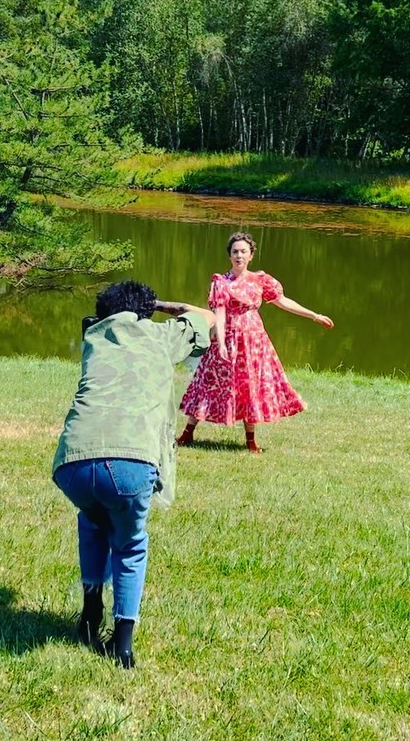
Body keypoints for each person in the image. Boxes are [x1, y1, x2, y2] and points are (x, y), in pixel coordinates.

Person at [52, 279, 214, 668]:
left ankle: (90, 614)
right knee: (129, 544)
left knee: (93, 520)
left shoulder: (94, 337)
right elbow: (208, 317)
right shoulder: (161, 336)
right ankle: (122, 645)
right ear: (146, 312)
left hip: (73, 463)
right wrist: (161, 306)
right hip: (131, 462)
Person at [178, 231, 334, 453]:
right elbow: (219, 314)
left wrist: (314, 315)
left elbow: (282, 301)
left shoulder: (260, 280)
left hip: (254, 342)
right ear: (229, 256)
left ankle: (251, 441)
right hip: (228, 340)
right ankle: (187, 433)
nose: (239, 256)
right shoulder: (221, 282)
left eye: (243, 251)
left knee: (249, 386)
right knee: (209, 384)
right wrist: (220, 342)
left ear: (251, 255)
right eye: (235, 252)